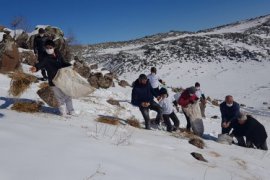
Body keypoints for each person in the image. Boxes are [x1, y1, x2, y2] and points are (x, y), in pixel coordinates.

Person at [30, 40, 74, 116]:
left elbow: (63, 63)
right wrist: (36, 68)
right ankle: (63, 112)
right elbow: (41, 64)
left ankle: (71, 110)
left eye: (50, 47)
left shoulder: (58, 54)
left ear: (54, 47)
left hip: (62, 78)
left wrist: (69, 65)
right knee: (60, 97)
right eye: (47, 47)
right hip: (53, 80)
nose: (49, 49)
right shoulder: (46, 58)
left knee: (68, 95)